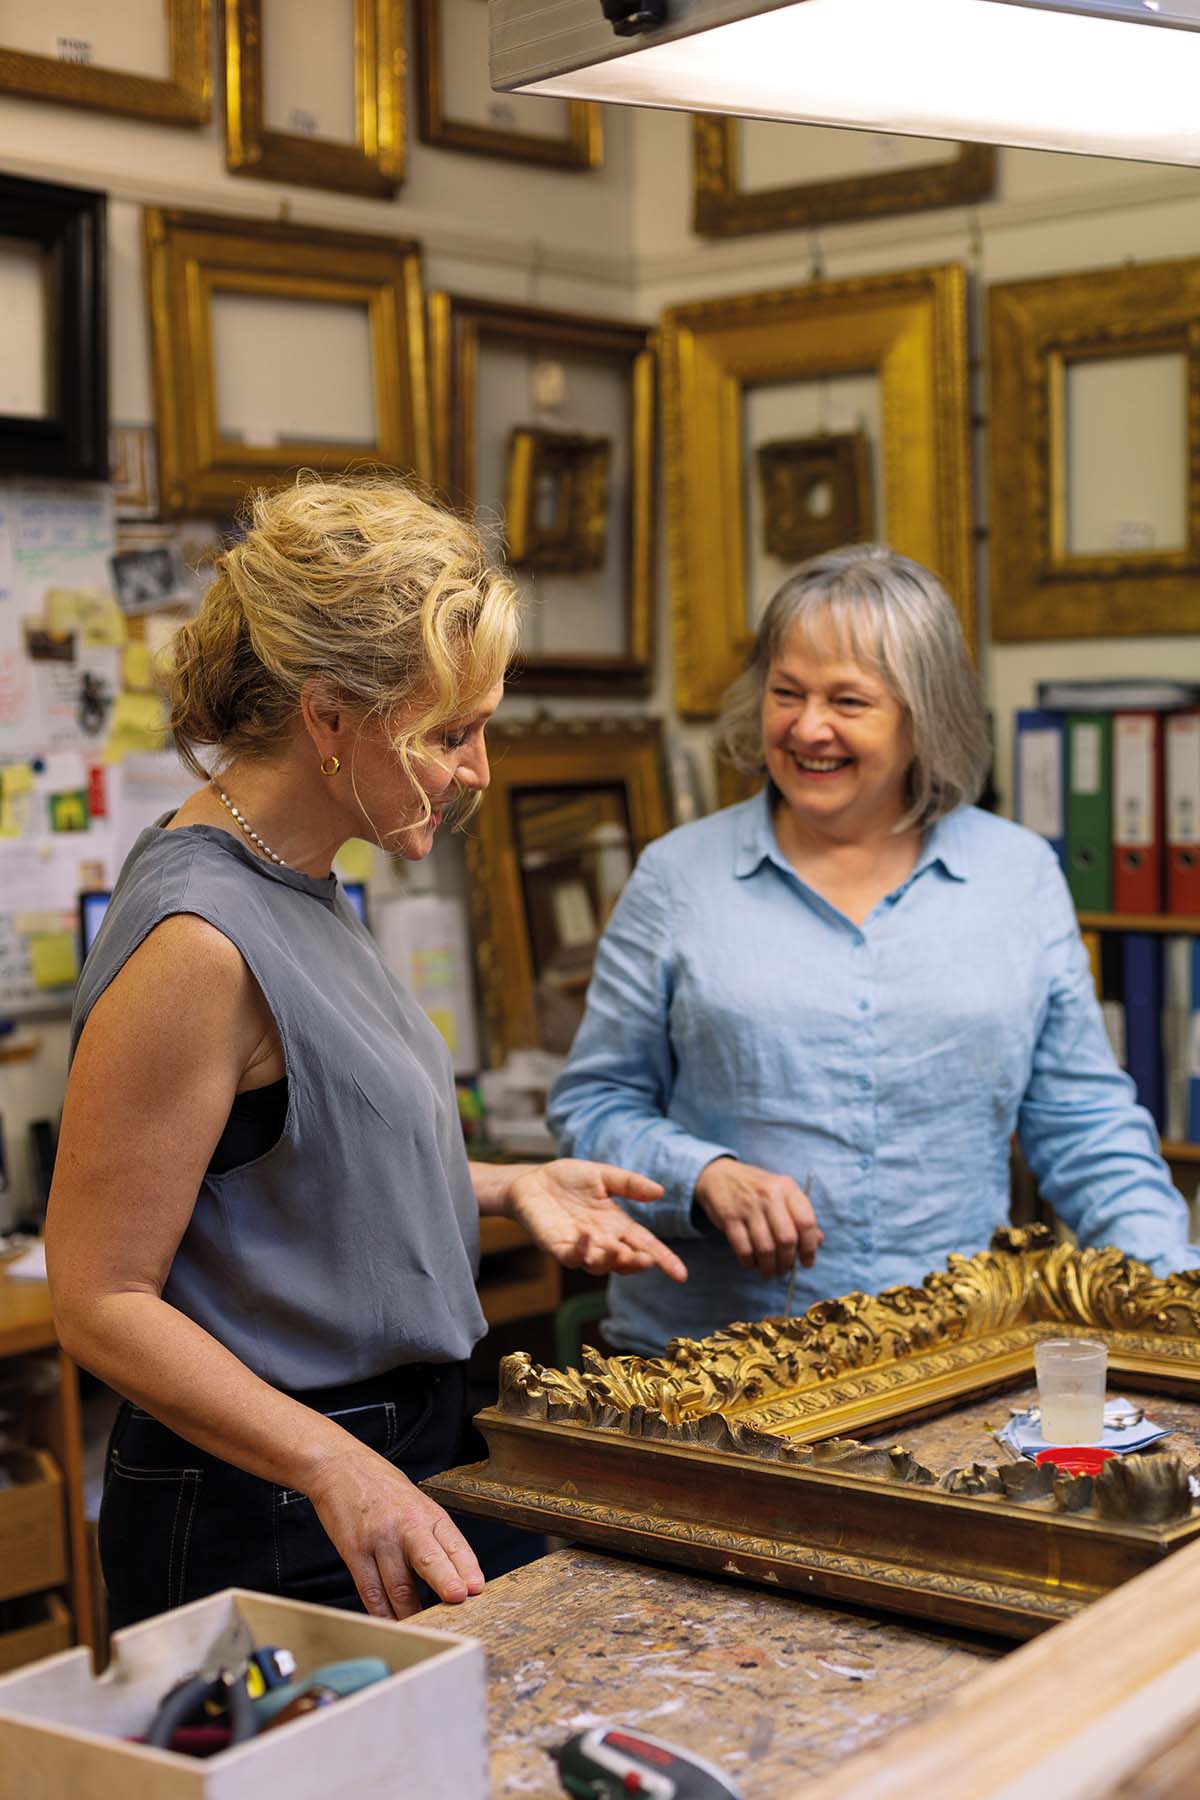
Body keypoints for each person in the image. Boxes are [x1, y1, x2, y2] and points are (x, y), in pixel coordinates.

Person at [45, 476, 687, 1630]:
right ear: (330, 718)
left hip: (383, 1452)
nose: (478, 769)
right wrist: (327, 1466)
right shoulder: (198, 937)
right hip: (272, 1495)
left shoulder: (301, 878)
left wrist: (507, 1185)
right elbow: (99, 1298)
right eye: (451, 732)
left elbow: (291, 1165)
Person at [547, 544, 1199, 1357]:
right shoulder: (678, 876)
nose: (807, 728)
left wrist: (1171, 1287)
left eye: (848, 701)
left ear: (923, 717)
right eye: (787, 693)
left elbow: (1085, 1124)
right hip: (709, 1371)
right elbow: (593, 1107)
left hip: (948, 1356)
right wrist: (703, 1175)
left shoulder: (1018, 875)